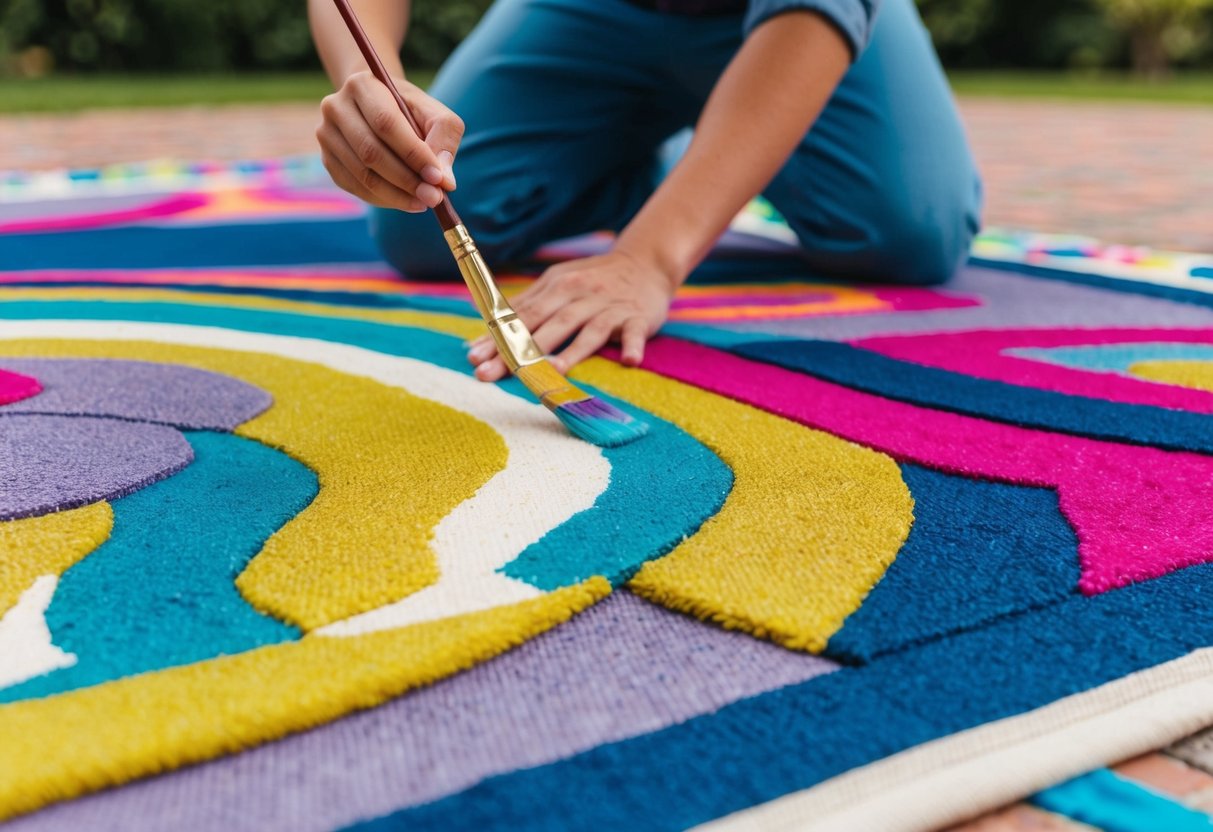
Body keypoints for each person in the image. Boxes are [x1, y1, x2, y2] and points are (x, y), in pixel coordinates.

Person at [309, 0, 981, 381]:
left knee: (910, 232)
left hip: (803, 15)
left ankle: (711, 165)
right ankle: (651, 166)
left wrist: (649, 257)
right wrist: (369, 81)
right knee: (411, 218)